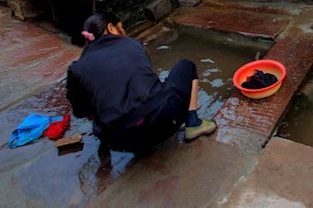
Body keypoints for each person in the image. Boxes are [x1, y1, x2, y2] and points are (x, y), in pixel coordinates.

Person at [66, 12, 216, 154]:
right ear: (111, 28)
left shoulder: (77, 69)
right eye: (121, 27)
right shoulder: (133, 44)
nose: (124, 32)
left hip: (118, 143)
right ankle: (193, 123)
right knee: (186, 66)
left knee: (101, 114)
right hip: (163, 123)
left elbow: (80, 112)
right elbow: (147, 83)